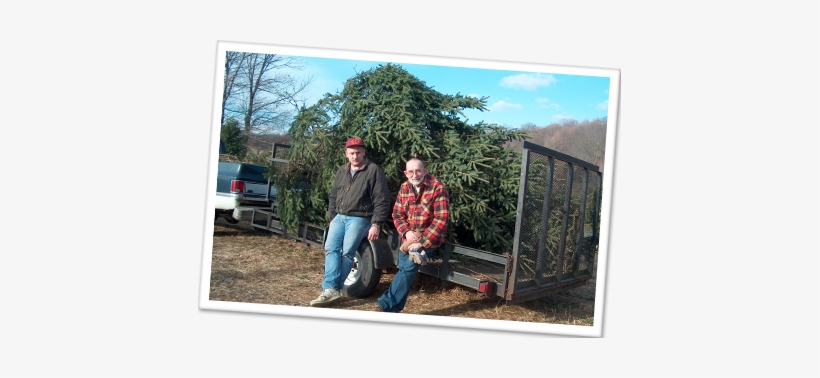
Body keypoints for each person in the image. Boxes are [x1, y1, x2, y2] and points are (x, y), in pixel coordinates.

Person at [309, 137, 392, 307]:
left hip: (360, 218)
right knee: (330, 249)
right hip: (339, 217)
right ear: (346, 154)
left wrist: (376, 223)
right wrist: (332, 217)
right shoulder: (342, 171)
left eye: (358, 153)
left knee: (347, 252)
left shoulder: (373, 170)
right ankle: (330, 289)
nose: (355, 156)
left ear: (364, 153)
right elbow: (333, 195)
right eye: (352, 153)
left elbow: (381, 199)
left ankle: (332, 289)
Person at [376, 157, 449, 313]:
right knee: (404, 268)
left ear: (425, 171)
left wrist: (421, 242)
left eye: (418, 171)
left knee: (407, 267)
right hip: (409, 237)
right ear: (406, 173)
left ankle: (385, 306)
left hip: (429, 238)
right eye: (411, 171)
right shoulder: (404, 187)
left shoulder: (437, 187)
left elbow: (441, 219)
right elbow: (397, 214)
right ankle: (391, 308)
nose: (414, 175)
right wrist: (406, 232)